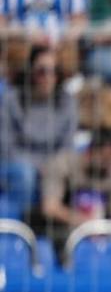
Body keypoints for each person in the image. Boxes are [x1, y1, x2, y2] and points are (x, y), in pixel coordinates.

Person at [0, 45, 78, 218]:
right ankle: (21, 228)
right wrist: (38, 166)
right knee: (25, 174)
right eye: (42, 71)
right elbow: (6, 147)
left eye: (53, 71)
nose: (48, 77)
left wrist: (50, 167)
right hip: (17, 167)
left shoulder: (67, 103)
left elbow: (67, 147)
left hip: (53, 169)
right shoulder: (11, 100)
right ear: (31, 72)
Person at [41, 129, 111, 248]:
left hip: (99, 238)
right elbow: (50, 207)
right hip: (61, 236)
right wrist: (84, 222)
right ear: (90, 152)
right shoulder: (63, 164)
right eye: (105, 159)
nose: (109, 165)